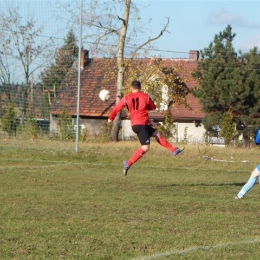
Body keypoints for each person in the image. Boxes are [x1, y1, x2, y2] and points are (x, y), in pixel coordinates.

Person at [108, 80, 184, 176]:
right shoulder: (145, 96)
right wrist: (145, 106)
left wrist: (111, 118)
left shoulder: (126, 98)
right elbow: (153, 107)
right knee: (145, 148)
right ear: (140, 87)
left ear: (131, 88)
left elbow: (116, 109)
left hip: (137, 124)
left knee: (157, 134)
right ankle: (128, 163)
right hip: (141, 124)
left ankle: (174, 150)